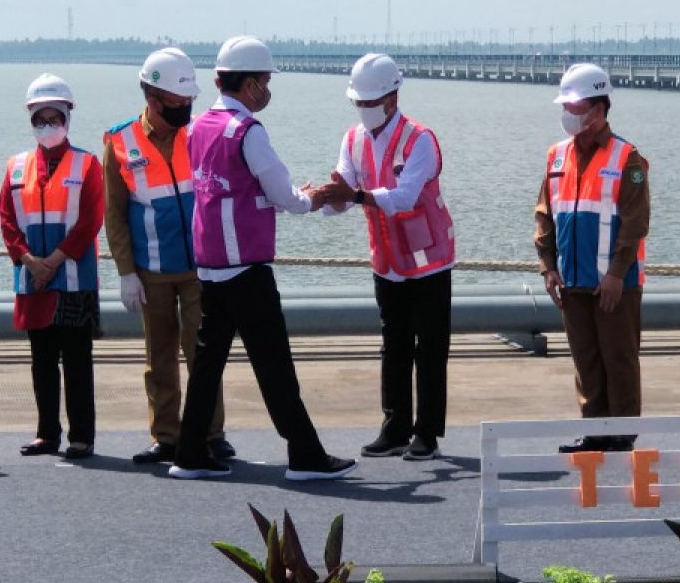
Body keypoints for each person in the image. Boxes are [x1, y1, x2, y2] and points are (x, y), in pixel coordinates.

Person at [168, 36, 357, 481]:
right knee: (273, 364)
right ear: (251, 85)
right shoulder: (247, 131)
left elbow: (225, 190)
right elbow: (280, 193)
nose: (268, 90)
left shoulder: (195, 128)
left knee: (207, 363)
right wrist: (311, 199)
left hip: (211, 266)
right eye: (266, 81)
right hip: (246, 269)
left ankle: (190, 452)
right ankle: (305, 456)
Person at [319, 53, 455, 461]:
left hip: (428, 260)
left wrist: (355, 196)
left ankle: (426, 433)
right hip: (388, 260)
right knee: (393, 343)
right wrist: (320, 199)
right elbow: (342, 193)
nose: (362, 110)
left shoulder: (420, 140)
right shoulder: (353, 140)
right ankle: (394, 427)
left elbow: (405, 197)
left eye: (368, 102)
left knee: (429, 348)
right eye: (357, 103)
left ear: (391, 99)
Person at [104, 48, 233, 464]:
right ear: (153, 98)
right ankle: (167, 436)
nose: (185, 109)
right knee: (159, 358)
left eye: (189, 103)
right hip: (151, 270)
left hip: (200, 267)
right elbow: (115, 213)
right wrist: (126, 271)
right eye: (178, 104)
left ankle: (212, 433)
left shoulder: (198, 133)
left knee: (204, 355)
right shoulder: (120, 142)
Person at [534, 63, 649, 453]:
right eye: (565, 104)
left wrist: (617, 274)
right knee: (585, 361)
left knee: (619, 359)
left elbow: (635, 224)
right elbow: (544, 215)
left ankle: (621, 433)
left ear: (599, 110)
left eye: (575, 105)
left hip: (615, 284)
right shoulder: (556, 156)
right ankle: (595, 431)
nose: (568, 113)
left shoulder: (628, 159)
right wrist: (548, 267)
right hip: (572, 282)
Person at [0, 73, 104, 460]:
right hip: (33, 280)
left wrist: (53, 261)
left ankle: (82, 437)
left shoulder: (88, 164)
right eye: (39, 119)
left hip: (73, 280)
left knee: (77, 361)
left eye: (53, 118)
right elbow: (7, 219)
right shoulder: (16, 166)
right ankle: (46, 433)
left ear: (67, 117)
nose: (47, 126)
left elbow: (91, 220)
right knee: (41, 361)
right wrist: (28, 260)